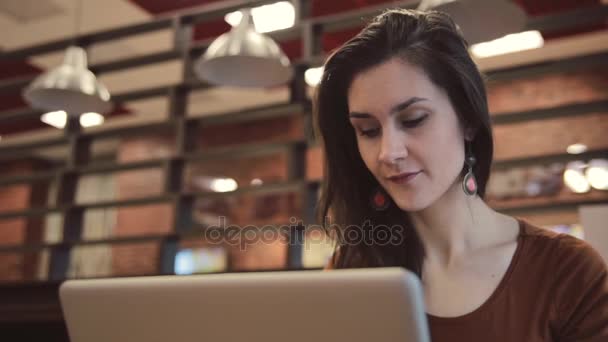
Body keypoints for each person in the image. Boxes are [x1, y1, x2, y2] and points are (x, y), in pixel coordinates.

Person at [314, 8, 608, 341]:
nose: (388, 152)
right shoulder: (351, 270)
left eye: (413, 120)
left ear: (467, 118)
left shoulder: (567, 271)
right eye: (368, 130)